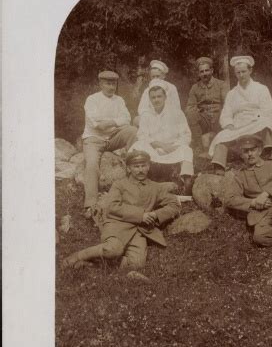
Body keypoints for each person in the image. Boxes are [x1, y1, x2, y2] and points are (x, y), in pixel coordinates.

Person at [62, 150, 180, 278]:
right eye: (136, 166)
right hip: (117, 225)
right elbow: (112, 206)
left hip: (140, 231)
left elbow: (174, 204)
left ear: (148, 167)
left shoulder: (155, 187)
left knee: (137, 264)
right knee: (113, 249)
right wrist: (141, 215)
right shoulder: (119, 185)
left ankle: (92, 265)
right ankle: (77, 256)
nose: (140, 170)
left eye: (143, 166)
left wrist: (157, 214)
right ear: (129, 168)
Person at [82, 70, 137, 219]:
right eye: (108, 83)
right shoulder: (92, 99)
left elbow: (127, 119)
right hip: (93, 139)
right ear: (100, 84)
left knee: (132, 131)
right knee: (92, 164)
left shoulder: (119, 100)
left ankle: (133, 181)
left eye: (113, 83)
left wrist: (111, 122)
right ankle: (90, 205)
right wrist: (115, 122)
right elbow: (96, 125)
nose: (111, 87)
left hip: (112, 138)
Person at [209, 55, 272, 174]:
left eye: (244, 71)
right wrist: (229, 125)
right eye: (238, 72)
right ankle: (219, 166)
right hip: (238, 126)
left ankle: (267, 150)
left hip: (256, 123)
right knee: (221, 136)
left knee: (266, 122)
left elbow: (268, 111)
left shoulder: (261, 89)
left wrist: (256, 120)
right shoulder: (232, 94)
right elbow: (225, 115)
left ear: (250, 70)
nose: (241, 75)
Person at [130, 79, 194, 194]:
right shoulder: (146, 115)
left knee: (187, 150)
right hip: (154, 150)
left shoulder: (177, 113)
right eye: (153, 97)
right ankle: (137, 180)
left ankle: (186, 183)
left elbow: (186, 135)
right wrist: (159, 145)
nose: (156, 100)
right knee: (138, 145)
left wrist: (172, 146)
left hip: (173, 149)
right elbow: (142, 135)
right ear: (150, 99)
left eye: (159, 96)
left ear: (165, 97)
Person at [185, 56, 229, 154]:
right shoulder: (195, 88)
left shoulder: (221, 84)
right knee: (191, 114)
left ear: (212, 70)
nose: (204, 74)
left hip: (218, 117)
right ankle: (199, 146)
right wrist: (195, 111)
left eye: (206, 70)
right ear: (198, 73)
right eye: (202, 71)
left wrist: (220, 113)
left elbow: (227, 104)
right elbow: (190, 106)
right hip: (204, 119)